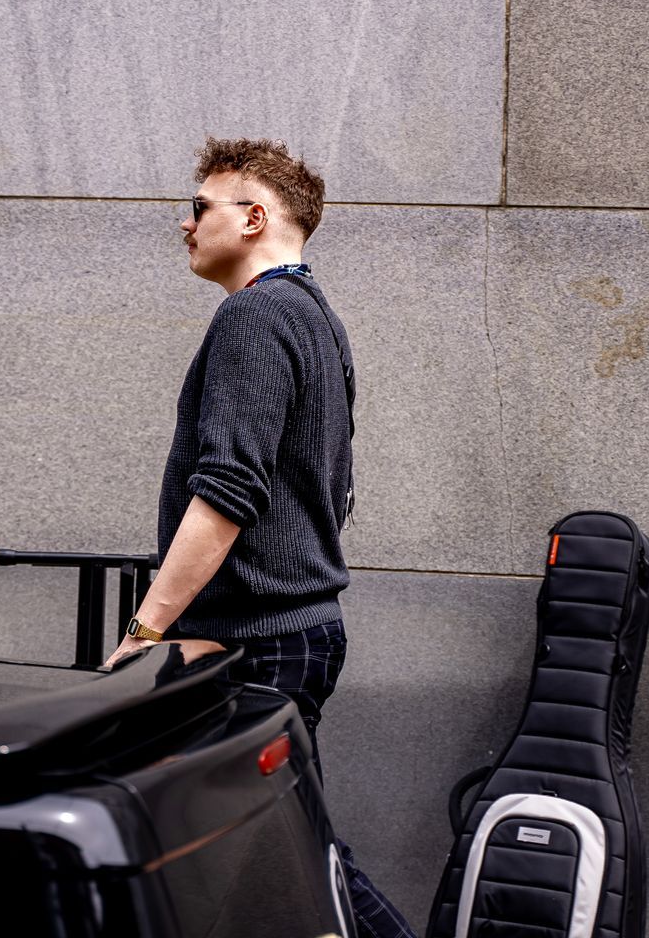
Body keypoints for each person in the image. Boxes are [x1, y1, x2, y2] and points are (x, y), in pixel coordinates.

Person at [103, 135, 415, 938]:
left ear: (253, 218)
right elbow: (325, 492)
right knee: (272, 871)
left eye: (199, 207)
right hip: (290, 635)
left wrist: (147, 631)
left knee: (296, 865)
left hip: (261, 645)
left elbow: (228, 493)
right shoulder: (315, 318)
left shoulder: (256, 315)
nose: (185, 223)